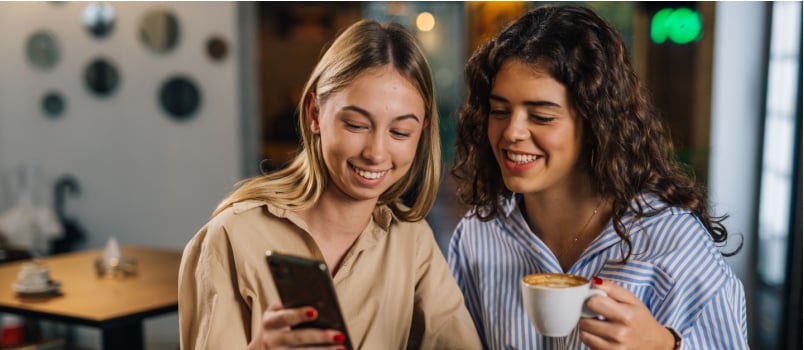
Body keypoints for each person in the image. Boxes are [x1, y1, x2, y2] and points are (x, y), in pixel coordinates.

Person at [449, 5, 748, 350]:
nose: (511, 132)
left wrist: (664, 346)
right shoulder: (478, 235)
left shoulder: (672, 243)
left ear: (595, 124)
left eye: (542, 116)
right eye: (499, 111)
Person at [179, 19, 482, 349]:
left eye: (400, 132)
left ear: (422, 131)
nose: (376, 153)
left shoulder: (412, 240)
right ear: (314, 114)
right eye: (355, 125)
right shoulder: (232, 237)